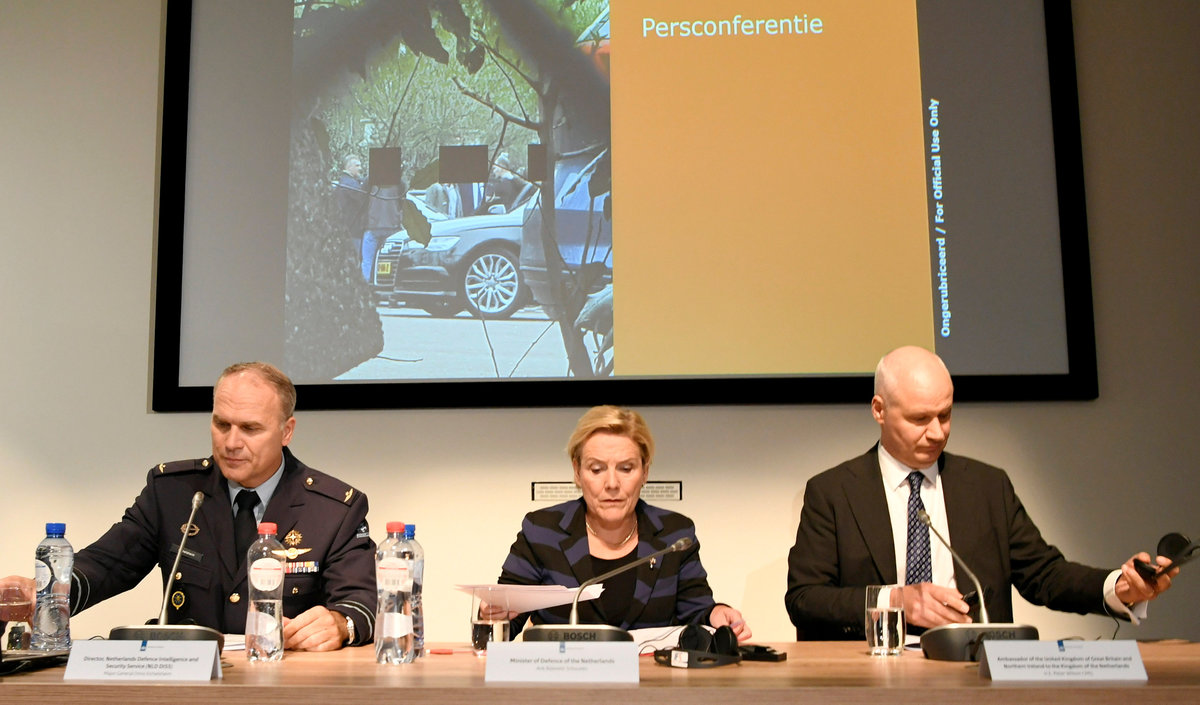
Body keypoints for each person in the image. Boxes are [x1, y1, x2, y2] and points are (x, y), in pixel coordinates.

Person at [785, 346, 1177, 640]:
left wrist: (1117, 586)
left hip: (976, 672)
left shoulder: (988, 487)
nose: (937, 432)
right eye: (920, 419)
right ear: (879, 410)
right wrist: (895, 601)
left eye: (945, 415)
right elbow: (804, 599)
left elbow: (1045, 575)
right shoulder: (833, 492)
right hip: (875, 677)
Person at [1, 362, 376, 650]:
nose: (231, 442)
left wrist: (341, 624)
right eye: (221, 424)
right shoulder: (174, 492)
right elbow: (107, 564)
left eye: (249, 429)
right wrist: (48, 592)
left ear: (286, 431)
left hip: (282, 682)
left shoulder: (333, 509)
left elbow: (362, 601)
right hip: (185, 679)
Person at [499, 405, 751, 640]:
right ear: (577, 472)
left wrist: (718, 614)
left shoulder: (674, 536)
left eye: (626, 469)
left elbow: (697, 612)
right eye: (596, 469)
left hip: (649, 673)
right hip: (563, 672)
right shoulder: (543, 531)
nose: (612, 484)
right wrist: (493, 614)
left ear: (645, 472)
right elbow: (503, 623)